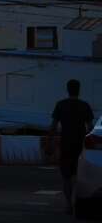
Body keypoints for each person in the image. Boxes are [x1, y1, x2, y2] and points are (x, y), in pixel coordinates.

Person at [50, 79, 94, 213]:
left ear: (67, 89)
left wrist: (50, 142)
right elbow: (90, 127)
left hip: (66, 144)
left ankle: (68, 204)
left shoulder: (60, 105)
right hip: (80, 145)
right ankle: (77, 201)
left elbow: (53, 126)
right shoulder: (85, 106)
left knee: (66, 177)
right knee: (79, 175)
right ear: (79, 90)